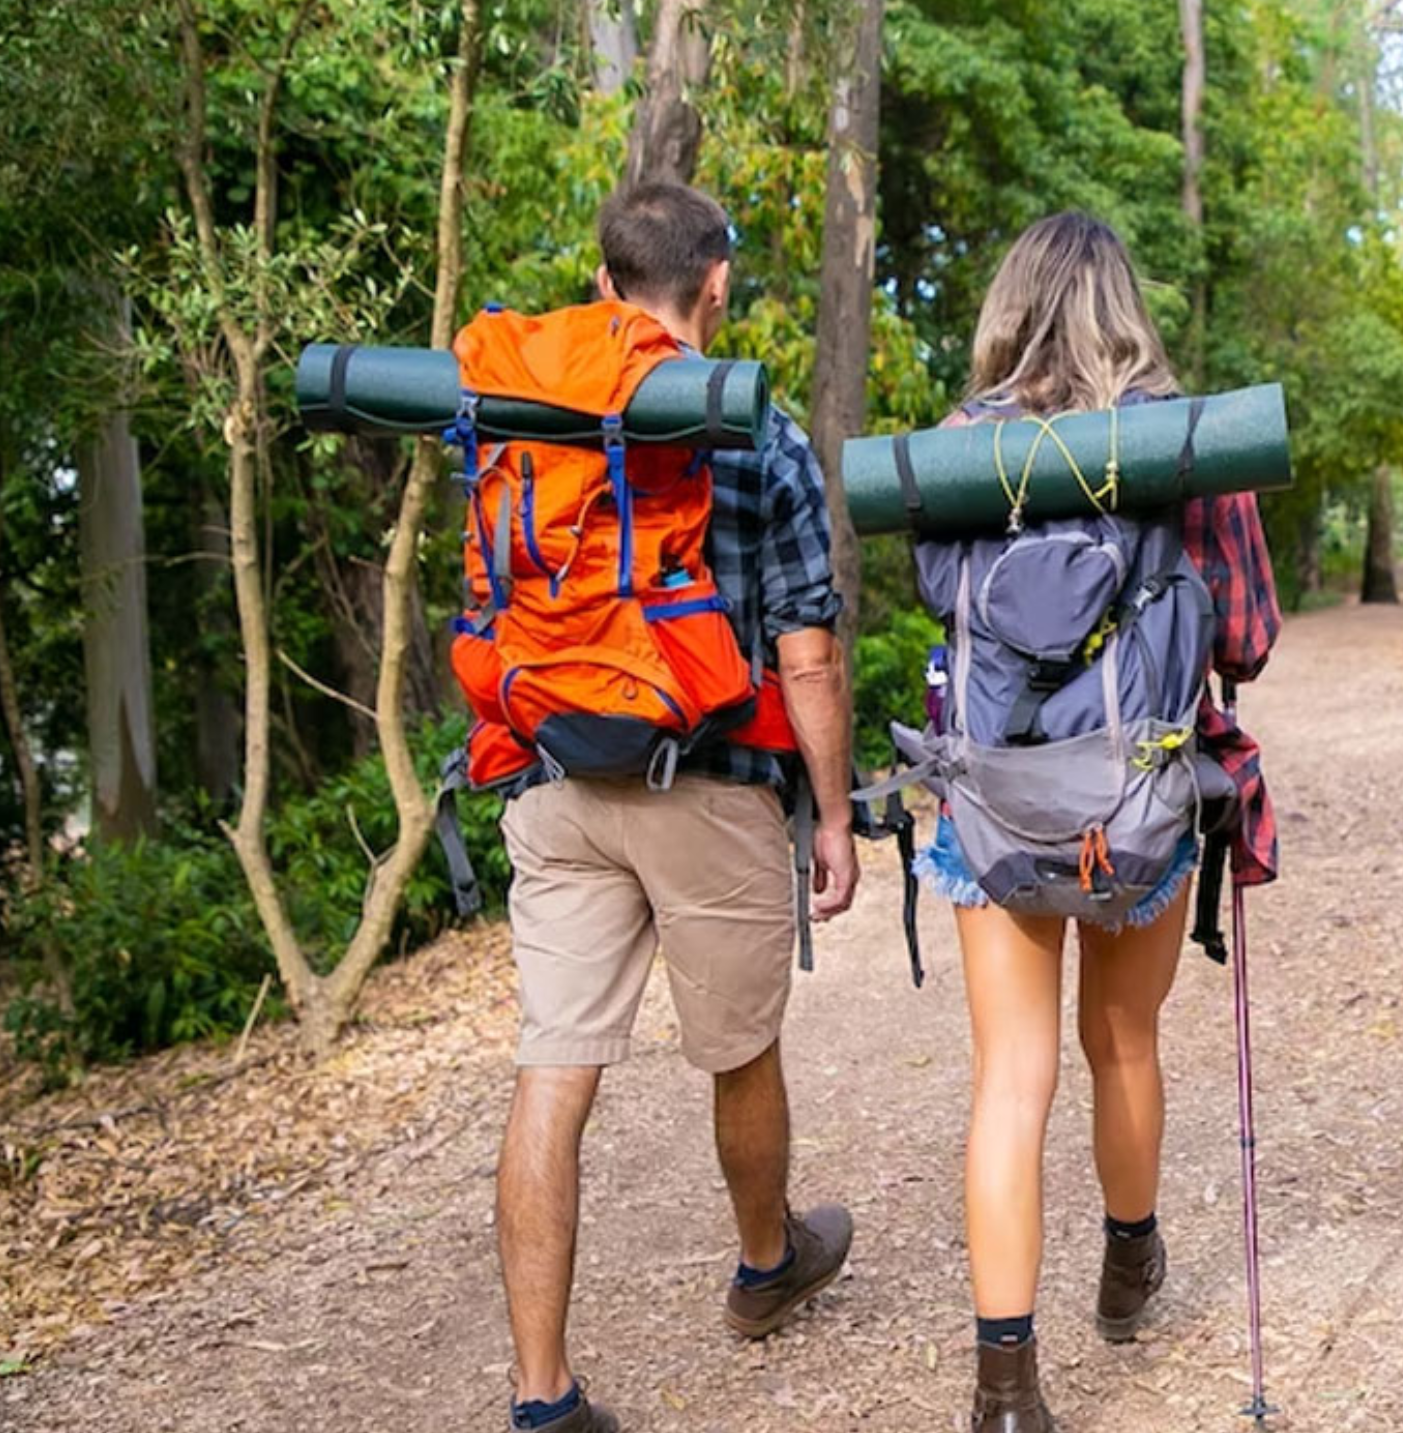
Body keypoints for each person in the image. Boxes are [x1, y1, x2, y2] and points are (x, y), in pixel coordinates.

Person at [493, 181, 862, 1433]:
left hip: (555, 783)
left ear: (604, 286)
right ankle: (766, 1265)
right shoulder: (754, 428)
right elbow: (804, 650)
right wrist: (831, 815)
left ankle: (541, 1393)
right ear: (714, 284)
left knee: (553, 1069)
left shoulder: (527, 411)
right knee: (737, 1044)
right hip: (705, 786)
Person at [922, 213, 1281, 1432]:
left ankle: (1005, 1391)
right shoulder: (1186, 445)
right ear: (1128, 307)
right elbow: (1247, 640)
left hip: (992, 805)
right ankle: (1128, 1264)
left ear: (1008, 307)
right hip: (1135, 800)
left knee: (1007, 1076)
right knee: (1120, 1034)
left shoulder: (957, 451)